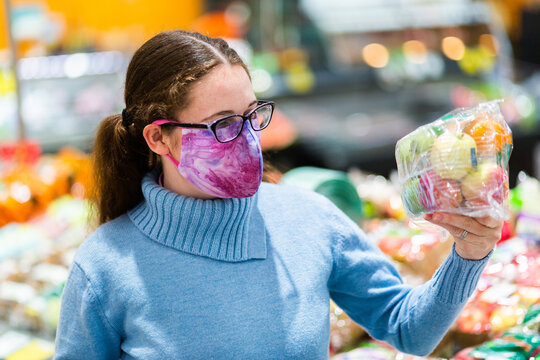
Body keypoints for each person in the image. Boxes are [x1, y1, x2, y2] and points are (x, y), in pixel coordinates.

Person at [54, 30, 503, 359]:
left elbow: (409, 330)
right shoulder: (104, 267)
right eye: (224, 124)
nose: (249, 138)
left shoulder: (308, 219)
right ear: (158, 139)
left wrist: (469, 253)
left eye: (252, 115)